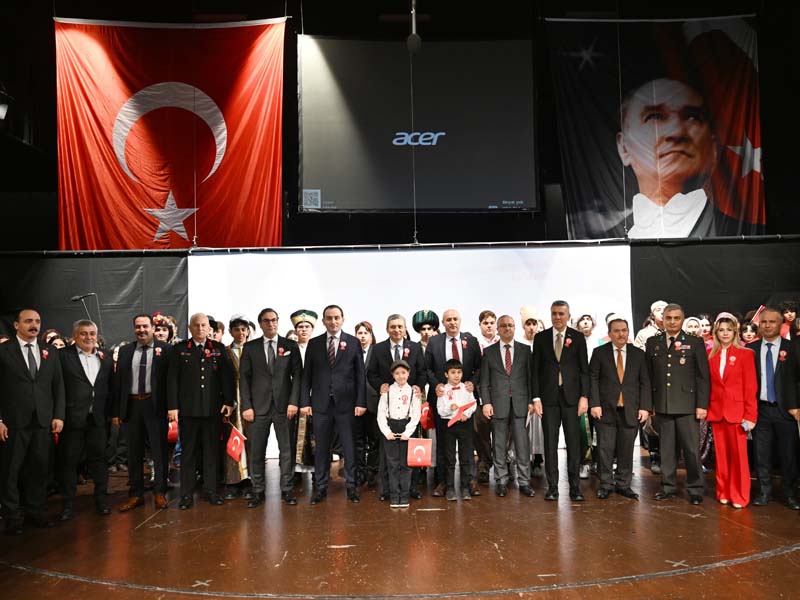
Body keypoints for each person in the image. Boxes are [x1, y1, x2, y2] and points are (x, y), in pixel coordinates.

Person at [616, 78, 741, 238]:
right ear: (624, 147)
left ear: (714, 149)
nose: (676, 131)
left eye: (692, 117)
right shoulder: (599, 249)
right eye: (654, 117)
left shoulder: (745, 236)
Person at [0, 308, 65, 535]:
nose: (34, 325)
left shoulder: (49, 351)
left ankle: (35, 512)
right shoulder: (3, 350)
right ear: (16, 325)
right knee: (10, 471)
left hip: (42, 421)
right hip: (13, 421)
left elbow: (58, 386)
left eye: (37, 321)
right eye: (28, 321)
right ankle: (12, 517)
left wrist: (58, 415)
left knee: (39, 469)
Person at [167, 313, 235, 509]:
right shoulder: (180, 350)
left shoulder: (218, 349)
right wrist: (173, 406)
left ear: (209, 328)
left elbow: (227, 378)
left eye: (203, 325)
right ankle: (186, 495)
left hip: (213, 411)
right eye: (196, 325)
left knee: (211, 452)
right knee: (188, 453)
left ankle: (211, 491)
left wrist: (228, 403)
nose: (200, 328)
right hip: (188, 412)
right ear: (190, 328)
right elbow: (172, 380)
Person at [300, 305, 366, 505]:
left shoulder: (353, 343)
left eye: (337, 318)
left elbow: (360, 375)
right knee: (321, 448)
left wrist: (360, 402)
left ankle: (352, 486)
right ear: (323, 321)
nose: (333, 321)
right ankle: (320, 488)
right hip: (321, 405)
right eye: (329, 318)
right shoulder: (314, 343)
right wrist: (305, 402)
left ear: (343, 319)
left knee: (349, 447)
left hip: (346, 404)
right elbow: (306, 377)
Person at [645, 303, 710, 505]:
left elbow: (702, 377)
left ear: (682, 319)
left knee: (691, 450)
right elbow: (648, 377)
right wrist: (649, 405)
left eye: (676, 318)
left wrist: (702, 405)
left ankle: (695, 488)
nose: (672, 321)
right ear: (662, 319)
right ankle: (668, 486)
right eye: (668, 318)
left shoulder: (694, 342)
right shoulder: (652, 342)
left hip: (687, 406)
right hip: (662, 405)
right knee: (667, 450)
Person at [239, 308, 303, 508]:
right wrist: (246, 406)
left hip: (285, 407)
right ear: (260, 324)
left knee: (287, 451)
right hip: (257, 408)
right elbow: (244, 379)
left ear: (278, 321)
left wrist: (294, 402)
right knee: (257, 451)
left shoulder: (289, 345)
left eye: (274, 320)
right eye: (266, 321)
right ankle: (257, 490)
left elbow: (298, 376)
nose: (271, 324)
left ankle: (287, 489)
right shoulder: (250, 348)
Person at [112, 314, 171, 512]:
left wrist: (173, 408)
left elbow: (171, 382)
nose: (142, 330)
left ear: (152, 328)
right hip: (131, 406)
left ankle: (160, 492)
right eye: (138, 327)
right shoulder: (126, 351)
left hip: (155, 407)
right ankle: (136, 494)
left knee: (159, 452)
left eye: (145, 326)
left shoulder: (166, 350)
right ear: (134, 329)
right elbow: (118, 383)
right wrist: (117, 411)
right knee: (133, 453)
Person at [532, 300, 590, 502]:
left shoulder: (578, 337)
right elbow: (535, 371)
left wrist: (584, 397)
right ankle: (553, 487)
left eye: (561, 314)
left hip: (572, 399)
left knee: (574, 443)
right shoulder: (540, 338)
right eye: (554, 313)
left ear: (568, 315)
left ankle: (575, 487)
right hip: (548, 400)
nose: (557, 317)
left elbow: (584, 370)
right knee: (550, 443)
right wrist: (536, 397)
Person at [56, 319, 114, 521]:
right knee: (69, 463)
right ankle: (69, 505)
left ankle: (101, 500)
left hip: (97, 419)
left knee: (99, 462)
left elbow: (109, 387)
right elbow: (57, 387)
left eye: (92, 333)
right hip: (72, 419)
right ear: (75, 336)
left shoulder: (105, 357)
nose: (88, 337)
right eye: (84, 333)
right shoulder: (62, 356)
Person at [589, 316, 651, 500]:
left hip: (631, 409)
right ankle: (606, 484)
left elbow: (645, 382)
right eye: (616, 331)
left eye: (624, 330)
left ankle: (624, 484)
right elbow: (592, 379)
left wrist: (645, 407)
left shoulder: (638, 354)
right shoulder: (599, 353)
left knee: (626, 449)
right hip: (606, 409)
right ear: (609, 334)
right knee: (605, 450)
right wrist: (595, 403)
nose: (621, 334)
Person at [367, 315, 426, 500]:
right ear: (387, 329)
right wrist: (381, 386)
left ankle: (411, 488)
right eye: (393, 326)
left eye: (400, 326)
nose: (397, 330)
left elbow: (422, 371)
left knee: (411, 453)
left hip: (409, 404)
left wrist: (418, 386)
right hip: (389, 407)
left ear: (405, 328)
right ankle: (387, 490)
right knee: (388, 455)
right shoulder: (378, 349)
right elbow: (371, 373)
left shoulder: (415, 347)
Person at [425, 309, 482, 497]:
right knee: (444, 446)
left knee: (467, 447)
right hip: (443, 400)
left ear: (460, 320)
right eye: (448, 320)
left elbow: (479, 367)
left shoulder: (471, 341)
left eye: (455, 319)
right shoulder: (434, 342)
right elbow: (428, 369)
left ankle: (470, 482)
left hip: (465, 402)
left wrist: (472, 382)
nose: (452, 322)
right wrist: (437, 385)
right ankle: (443, 482)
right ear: (443, 322)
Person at [746, 307, 799, 509]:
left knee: (788, 455)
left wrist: (796, 406)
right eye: (764, 322)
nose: (767, 325)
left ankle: (790, 494)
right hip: (761, 410)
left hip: (785, 409)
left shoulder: (792, 347)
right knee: (762, 454)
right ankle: (764, 492)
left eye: (772, 322)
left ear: (781, 324)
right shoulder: (751, 348)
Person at [479, 315, 535, 498]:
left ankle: (525, 481)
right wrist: (486, 402)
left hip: (520, 404)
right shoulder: (489, 352)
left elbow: (530, 378)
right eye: (503, 326)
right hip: (498, 404)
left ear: (515, 328)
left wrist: (531, 402)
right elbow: (484, 382)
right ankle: (501, 480)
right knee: (499, 443)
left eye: (510, 325)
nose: (507, 328)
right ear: (498, 328)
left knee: (522, 445)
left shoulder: (525, 350)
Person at [707, 317, 757, 508]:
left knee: (739, 458)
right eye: (721, 330)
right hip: (717, 413)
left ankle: (740, 495)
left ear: (735, 332)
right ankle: (723, 492)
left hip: (738, 414)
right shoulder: (710, 355)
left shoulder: (745, 354)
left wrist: (750, 416)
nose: (725, 333)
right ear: (716, 333)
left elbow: (750, 387)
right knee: (721, 457)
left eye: (729, 329)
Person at [377, 360, 421, 508]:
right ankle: (394, 495)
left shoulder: (413, 392)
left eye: (403, 373)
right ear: (392, 375)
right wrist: (387, 432)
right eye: (397, 373)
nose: (400, 376)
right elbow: (381, 413)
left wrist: (408, 432)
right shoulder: (387, 391)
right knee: (392, 464)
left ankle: (404, 496)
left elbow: (416, 414)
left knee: (406, 464)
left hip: (406, 426)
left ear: (409, 374)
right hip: (391, 427)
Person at [634, 299, 667, 474]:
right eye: (658, 310)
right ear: (652, 314)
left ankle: (667, 455)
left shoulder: (673, 331)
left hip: (669, 384)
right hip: (651, 382)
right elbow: (638, 358)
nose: (662, 312)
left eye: (664, 309)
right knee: (652, 421)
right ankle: (654, 455)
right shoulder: (644, 334)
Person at [437, 359, 477, 501]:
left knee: (466, 457)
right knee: (450, 459)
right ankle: (449, 488)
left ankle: (465, 487)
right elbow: (441, 410)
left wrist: (466, 414)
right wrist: (450, 408)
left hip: (464, 426)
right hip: (449, 425)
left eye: (459, 372)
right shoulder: (442, 390)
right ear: (446, 374)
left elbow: (473, 404)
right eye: (453, 372)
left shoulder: (466, 388)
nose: (456, 375)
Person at [221, 315, 252, 500]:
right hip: (232, 403)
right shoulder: (224, 352)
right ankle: (233, 481)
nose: (240, 333)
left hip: (251, 404)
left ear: (248, 331)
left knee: (252, 442)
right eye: (236, 330)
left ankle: (250, 480)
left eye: (243, 329)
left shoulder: (254, 350)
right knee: (233, 441)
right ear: (230, 332)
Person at [289, 309, 318, 481]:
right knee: (293, 436)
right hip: (294, 398)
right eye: (300, 327)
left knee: (316, 436)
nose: (304, 330)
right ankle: (296, 472)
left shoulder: (318, 348)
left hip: (315, 397)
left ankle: (316, 472)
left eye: (307, 326)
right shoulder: (290, 348)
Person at [520, 305, 545, 479]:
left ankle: (538, 458)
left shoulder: (543, 342)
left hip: (541, 391)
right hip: (523, 391)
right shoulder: (520, 343)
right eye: (528, 323)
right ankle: (524, 460)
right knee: (524, 428)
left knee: (540, 427)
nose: (531, 327)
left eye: (533, 323)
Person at [354, 321, 379, 489]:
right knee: (358, 440)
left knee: (375, 440)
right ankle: (360, 472)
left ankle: (372, 471)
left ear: (371, 335)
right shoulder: (350, 352)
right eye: (359, 333)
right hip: (355, 403)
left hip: (374, 402)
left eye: (365, 333)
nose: (362, 336)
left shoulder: (377, 351)